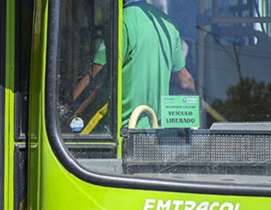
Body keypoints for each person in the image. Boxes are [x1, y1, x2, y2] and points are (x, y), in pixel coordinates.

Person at [73, 0, 196, 128]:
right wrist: (193, 118)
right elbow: (186, 82)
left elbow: (95, 79)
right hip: (154, 137)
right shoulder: (167, 25)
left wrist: (67, 115)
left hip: (121, 135)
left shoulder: (120, 22)